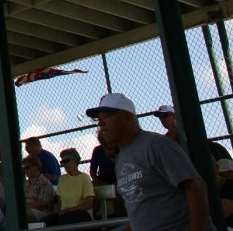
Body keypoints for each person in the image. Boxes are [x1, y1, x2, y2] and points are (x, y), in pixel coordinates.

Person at [88, 92, 212, 231]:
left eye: (107, 116)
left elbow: (196, 187)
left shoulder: (156, 145)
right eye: (98, 119)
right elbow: (140, 212)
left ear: (127, 117)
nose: (101, 123)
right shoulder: (122, 157)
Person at [154, 104, 233, 161]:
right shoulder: (164, 139)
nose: (162, 119)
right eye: (160, 117)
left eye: (164, 116)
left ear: (174, 116)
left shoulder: (187, 131)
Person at [41, 148, 93, 226]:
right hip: (65, 214)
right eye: (62, 162)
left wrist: (68, 210)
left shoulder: (84, 178)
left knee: (64, 220)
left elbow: (88, 203)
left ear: (74, 161)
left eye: (66, 161)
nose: (63, 164)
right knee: (44, 222)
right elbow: (59, 200)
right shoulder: (62, 179)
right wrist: (57, 210)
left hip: (82, 214)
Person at [21, 156, 54, 222]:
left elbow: (41, 204)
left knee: (20, 214)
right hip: (26, 210)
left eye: (27, 167)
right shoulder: (24, 184)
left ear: (36, 167)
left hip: (41, 212)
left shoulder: (45, 183)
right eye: (23, 168)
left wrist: (22, 208)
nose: (25, 170)